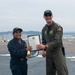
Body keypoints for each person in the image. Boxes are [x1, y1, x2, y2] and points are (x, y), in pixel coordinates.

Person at [37, 10, 68, 75]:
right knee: (50, 72)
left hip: (58, 52)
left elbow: (57, 41)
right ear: (44, 17)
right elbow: (44, 41)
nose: (48, 17)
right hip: (49, 54)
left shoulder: (57, 27)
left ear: (52, 16)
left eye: (49, 15)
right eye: (46, 15)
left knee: (62, 72)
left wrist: (45, 46)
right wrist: (43, 50)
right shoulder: (44, 29)